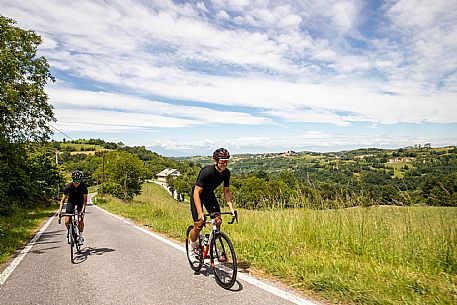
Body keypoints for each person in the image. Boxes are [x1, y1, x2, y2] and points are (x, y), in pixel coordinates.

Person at [189, 148, 235, 260]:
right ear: (215, 160)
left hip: (209, 196)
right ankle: (192, 247)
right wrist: (200, 213)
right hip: (198, 196)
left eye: (226, 161)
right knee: (199, 224)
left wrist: (231, 208)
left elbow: (227, 191)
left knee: (218, 220)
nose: (225, 164)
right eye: (222, 161)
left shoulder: (226, 173)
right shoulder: (207, 171)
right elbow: (196, 192)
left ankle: (212, 244)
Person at [58, 170, 88, 245]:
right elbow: (62, 200)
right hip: (71, 202)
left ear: (81, 180)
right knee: (67, 221)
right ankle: (71, 232)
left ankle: (80, 236)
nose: (76, 182)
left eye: (78, 180)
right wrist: (59, 211)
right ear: (73, 179)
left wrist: (82, 211)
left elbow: (85, 201)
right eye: (75, 180)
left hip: (80, 202)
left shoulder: (83, 187)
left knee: (80, 220)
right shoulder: (68, 187)